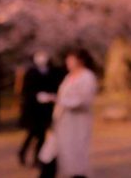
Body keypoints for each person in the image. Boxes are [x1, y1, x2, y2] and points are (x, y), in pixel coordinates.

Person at [39, 48, 98, 178]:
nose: (68, 62)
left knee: (75, 160)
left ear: (80, 60)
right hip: (62, 123)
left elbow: (83, 100)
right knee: (48, 155)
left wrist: (56, 99)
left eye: (71, 59)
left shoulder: (87, 77)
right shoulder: (69, 76)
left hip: (76, 124)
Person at [19, 51, 62, 167]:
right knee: (33, 133)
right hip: (33, 110)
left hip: (46, 109)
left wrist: (51, 96)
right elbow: (26, 91)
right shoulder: (31, 72)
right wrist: (37, 96)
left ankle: (37, 157)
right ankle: (23, 153)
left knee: (42, 134)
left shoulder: (52, 72)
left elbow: (56, 86)